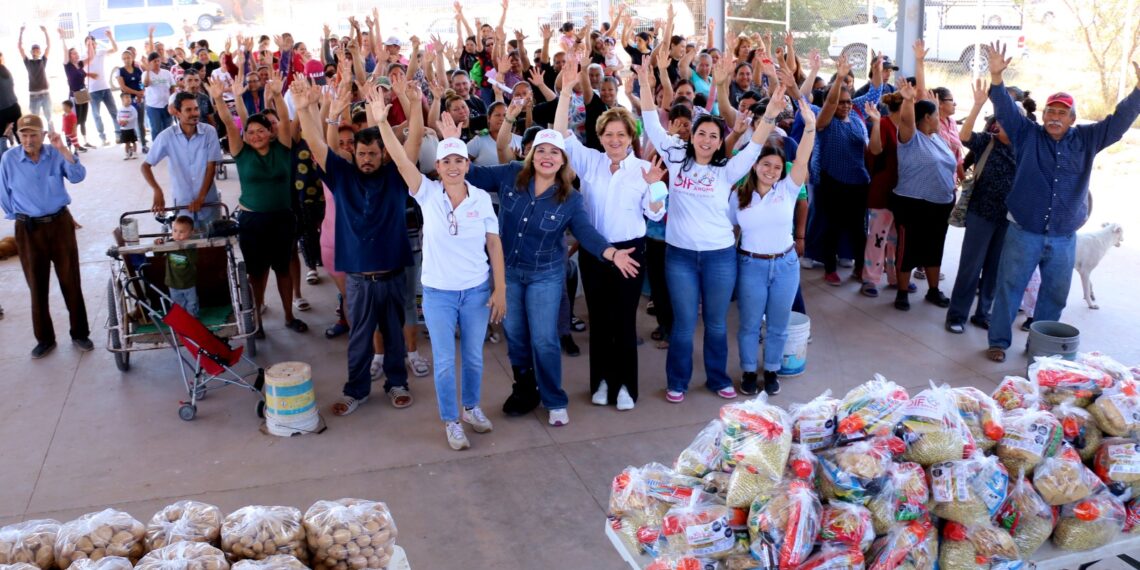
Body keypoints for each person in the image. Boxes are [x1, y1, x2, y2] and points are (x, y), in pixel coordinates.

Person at [460, 113, 640, 426]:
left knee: (544, 339)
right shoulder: (511, 175)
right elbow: (471, 174)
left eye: (554, 152)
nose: (547, 156)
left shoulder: (570, 198)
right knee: (515, 335)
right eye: (541, 150)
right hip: (510, 273)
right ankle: (525, 390)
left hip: (546, 275)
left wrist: (612, 254)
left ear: (563, 161)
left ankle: (554, 398)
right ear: (531, 155)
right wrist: (455, 147)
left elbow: (587, 233)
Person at [636, 60, 782, 403]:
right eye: (701, 132)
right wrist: (645, 82)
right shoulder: (675, 157)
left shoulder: (728, 171)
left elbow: (757, 143)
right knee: (684, 325)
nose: (705, 139)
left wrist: (772, 111)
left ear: (720, 143)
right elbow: (649, 122)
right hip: (680, 257)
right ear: (693, 136)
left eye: (713, 136)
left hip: (719, 257)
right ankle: (677, 381)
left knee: (716, 324)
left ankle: (717, 378)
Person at [983, 43, 1140, 362]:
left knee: (1053, 297)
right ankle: (999, 342)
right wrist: (996, 77)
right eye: (1050, 112)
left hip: (1065, 236)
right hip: (1023, 231)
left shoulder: (1087, 138)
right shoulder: (1026, 133)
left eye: (1061, 113)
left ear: (1072, 118)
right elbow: (1004, 108)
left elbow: (1119, 121)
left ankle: (1039, 347)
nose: (1055, 117)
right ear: (1042, 116)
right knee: (1009, 288)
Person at [377, 84, 507, 450]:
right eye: (446, 161)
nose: (452, 166)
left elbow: (494, 245)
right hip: (438, 293)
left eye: (459, 160)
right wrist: (381, 123)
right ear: (438, 167)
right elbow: (402, 160)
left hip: (477, 291)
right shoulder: (427, 193)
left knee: (474, 358)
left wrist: (500, 288)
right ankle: (451, 420)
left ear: (468, 165)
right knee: (446, 362)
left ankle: (471, 408)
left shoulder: (480, 198)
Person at [293, 74, 420, 415]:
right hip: (360, 281)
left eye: (372, 153)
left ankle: (397, 384)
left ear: (383, 154)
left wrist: (413, 105)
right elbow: (317, 145)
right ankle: (357, 390)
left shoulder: (397, 177)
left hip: (393, 274)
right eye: (361, 153)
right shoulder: (342, 175)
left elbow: (415, 142)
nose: (366, 158)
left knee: (394, 336)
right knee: (360, 339)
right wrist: (305, 109)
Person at [553, 61, 666, 411]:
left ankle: (625, 387)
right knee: (599, 320)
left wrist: (655, 188)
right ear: (600, 138)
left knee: (623, 319)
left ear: (631, 136)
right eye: (608, 135)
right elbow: (560, 132)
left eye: (621, 134)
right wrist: (567, 90)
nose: (614, 140)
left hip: (631, 250)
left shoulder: (644, 169)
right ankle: (601, 382)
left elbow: (656, 214)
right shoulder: (589, 162)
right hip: (594, 251)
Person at [207, 74, 308, 335]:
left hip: (282, 219)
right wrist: (219, 99)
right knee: (257, 273)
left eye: (260, 130)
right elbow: (229, 123)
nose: (255, 135)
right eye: (250, 132)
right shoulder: (242, 152)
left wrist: (276, 94)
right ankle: (258, 322)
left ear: (270, 132)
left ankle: (288, 315)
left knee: (283, 269)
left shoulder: (282, 147)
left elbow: (285, 120)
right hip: (252, 222)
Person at [732, 100, 817, 397]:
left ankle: (770, 371)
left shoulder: (788, 190)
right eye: (765, 164)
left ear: (783, 172)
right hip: (750, 265)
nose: (770, 170)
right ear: (754, 166)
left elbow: (803, 159)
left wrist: (810, 126)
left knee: (779, 324)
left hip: (785, 265)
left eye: (777, 167)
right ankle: (747, 371)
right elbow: (730, 230)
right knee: (750, 325)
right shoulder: (740, 196)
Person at [0, 114, 90, 358]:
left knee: (71, 280)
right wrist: (19, 216)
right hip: (28, 229)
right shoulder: (9, 159)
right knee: (36, 285)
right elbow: (4, 194)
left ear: (43, 135)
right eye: (24, 135)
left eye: (34, 134)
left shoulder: (54, 153)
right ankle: (45, 339)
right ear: (18, 136)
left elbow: (78, 176)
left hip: (60, 224)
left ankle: (80, 333)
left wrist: (63, 149)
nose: (29, 139)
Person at [945, 79, 1020, 334]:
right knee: (970, 266)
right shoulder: (988, 141)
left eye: (1006, 120)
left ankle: (983, 313)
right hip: (981, 214)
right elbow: (963, 136)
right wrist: (977, 106)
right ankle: (957, 315)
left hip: (1008, 218)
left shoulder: (1025, 148)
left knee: (994, 270)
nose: (1000, 124)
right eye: (999, 119)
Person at [812, 54, 883, 286]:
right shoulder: (824, 120)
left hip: (859, 182)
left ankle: (860, 268)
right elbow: (830, 105)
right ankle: (830, 268)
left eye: (848, 101)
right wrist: (840, 77)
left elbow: (874, 93)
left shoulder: (856, 117)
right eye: (840, 102)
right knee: (831, 227)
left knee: (857, 229)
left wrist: (877, 69)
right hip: (832, 181)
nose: (845, 105)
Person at [891, 77, 957, 311]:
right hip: (912, 204)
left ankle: (933, 290)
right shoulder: (910, 138)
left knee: (934, 247)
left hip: (940, 205)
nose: (941, 120)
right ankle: (902, 292)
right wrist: (909, 100)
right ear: (927, 118)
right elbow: (908, 119)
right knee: (908, 249)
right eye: (937, 115)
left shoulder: (937, 138)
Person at [141, 92, 223, 228]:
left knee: (213, 244)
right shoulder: (166, 136)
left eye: (196, 109)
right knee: (187, 245)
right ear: (177, 112)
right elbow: (145, 166)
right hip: (182, 203)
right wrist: (157, 190)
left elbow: (211, 167)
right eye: (188, 110)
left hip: (208, 201)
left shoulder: (209, 132)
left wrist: (201, 198)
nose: (194, 113)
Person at [861, 91, 903, 297]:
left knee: (897, 239)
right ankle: (871, 278)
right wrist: (876, 124)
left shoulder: (908, 127)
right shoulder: (885, 124)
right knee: (878, 236)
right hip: (883, 190)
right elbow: (875, 150)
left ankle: (895, 276)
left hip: (902, 192)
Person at [58, 29, 94, 148]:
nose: (76, 54)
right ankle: (73, 143)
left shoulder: (80, 64)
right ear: (69, 56)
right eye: (73, 53)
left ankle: (85, 140)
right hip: (75, 94)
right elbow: (64, 50)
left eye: (77, 53)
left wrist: (89, 45)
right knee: (75, 120)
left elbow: (91, 56)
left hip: (83, 92)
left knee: (83, 119)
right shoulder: (67, 65)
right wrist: (63, 37)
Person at [84, 31, 120, 146]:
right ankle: (103, 138)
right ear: (86, 45)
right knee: (97, 115)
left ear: (96, 44)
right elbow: (77, 71)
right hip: (93, 91)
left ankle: (119, 135)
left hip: (105, 88)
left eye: (93, 43)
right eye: (89, 44)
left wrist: (110, 37)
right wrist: (89, 75)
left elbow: (115, 49)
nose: (91, 45)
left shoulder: (100, 53)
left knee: (114, 112)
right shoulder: (83, 57)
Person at [18, 26, 53, 132]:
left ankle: (53, 140)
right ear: (31, 51)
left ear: (40, 51)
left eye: (38, 49)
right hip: (34, 96)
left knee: (50, 120)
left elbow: (49, 46)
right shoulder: (27, 62)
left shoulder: (43, 61)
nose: (36, 50)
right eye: (34, 49)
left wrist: (46, 31)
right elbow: (20, 48)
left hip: (46, 95)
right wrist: (21, 32)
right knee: (34, 122)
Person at [165, 215, 199, 317]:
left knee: (192, 303)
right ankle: (183, 321)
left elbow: (194, 260)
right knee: (178, 304)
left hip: (189, 282)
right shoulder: (169, 243)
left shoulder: (191, 246)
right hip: (173, 282)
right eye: (175, 231)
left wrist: (185, 247)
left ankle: (193, 320)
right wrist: (158, 243)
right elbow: (157, 254)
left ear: (191, 232)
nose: (177, 235)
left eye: (182, 232)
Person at [117, 49, 148, 152]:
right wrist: (136, 93)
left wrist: (142, 92)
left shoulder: (138, 69)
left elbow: (141, 83)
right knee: (128, 124)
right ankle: (129, 146)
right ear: (122, 59)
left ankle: (143, 144)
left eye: (128, 57)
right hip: (127, 100)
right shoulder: (120, 71)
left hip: (139, 99)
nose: (127, 60)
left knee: (140, 122)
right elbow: (123, 87)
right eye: (124, 58)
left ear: (132, 58)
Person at [143, 52, 175, 137]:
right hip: (153, 107)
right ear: (150, 63)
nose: (157, 63)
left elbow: (172, 87)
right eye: (154, 61)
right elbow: (146, 84)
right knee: (156, 128)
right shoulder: (145, 74)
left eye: (158, 61)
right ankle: (157, 148)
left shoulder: (166, 73)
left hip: (166, 105)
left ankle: (168, 147)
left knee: (168, 128)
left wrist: (172, 102)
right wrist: (147, 70)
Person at [0, 51, 21, 150]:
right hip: (12, 107)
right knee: (19, 135)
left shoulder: (4, 70)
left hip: (6, 109)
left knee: (3, 139)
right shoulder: (5, 70)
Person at [117, 91, 140, 159]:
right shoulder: (120, 108)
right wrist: (120, 121)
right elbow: (118, 116)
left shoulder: (132, 108)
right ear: (122, 100)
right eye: (126, 97)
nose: (129, 99)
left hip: (131, 128)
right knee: (126, 143)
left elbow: (135, 116)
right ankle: (126, 153)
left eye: (129, 97)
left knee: (134, 141)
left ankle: (135, 153)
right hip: (124, 129)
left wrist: (127, 120)